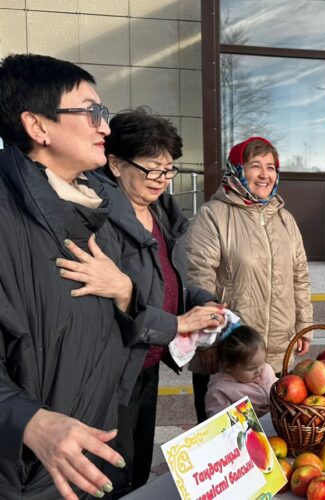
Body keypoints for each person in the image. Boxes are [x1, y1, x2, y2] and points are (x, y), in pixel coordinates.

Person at [0, 53, 142, 499]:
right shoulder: (6, 218)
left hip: (92, 455)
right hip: (27, 474)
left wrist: (126, 293)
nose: (105, 126)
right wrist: (29, 421)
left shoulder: (99, 210)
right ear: (37, 126)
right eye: (92, 111)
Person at [84, 108, 224, 496]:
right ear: (114, 163)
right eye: (152, 169)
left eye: (169, 170)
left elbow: (169, 279)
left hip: (146, 362)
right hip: (110, 369)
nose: (162, 180)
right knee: (109, 475)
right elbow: (111, 306)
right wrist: (178, 324)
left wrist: (205, 302)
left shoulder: (160, 210)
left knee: (138, 468)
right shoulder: (99, 218)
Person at [185, 136, 313, 422]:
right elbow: (199, 278)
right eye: (255, 165)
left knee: (272, 444)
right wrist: (207, 341)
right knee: (223, 448)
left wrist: (304, 323)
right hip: (229, 354)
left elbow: (299, 276)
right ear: (237, 170)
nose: (265, 174)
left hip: (276, 353)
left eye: (271, 167)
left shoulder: (285, 219)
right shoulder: (213, 215)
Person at [205, 325, 278, 418]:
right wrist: (246, 413)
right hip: (249, 431)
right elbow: (219, 419)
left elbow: (276, 386)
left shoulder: (266, 370)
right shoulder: (220, 390)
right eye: (251, 368)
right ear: (228, 367)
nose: (259, 370)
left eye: (262, 362)